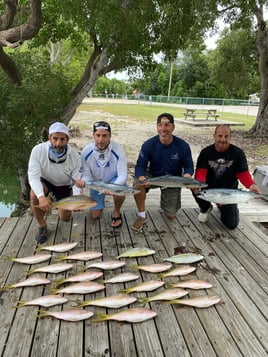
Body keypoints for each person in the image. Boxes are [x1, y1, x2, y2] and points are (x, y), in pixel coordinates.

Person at [132, 112, 194, 232]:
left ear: (173, 127)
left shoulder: (183, 146)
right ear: (157, 127)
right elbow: (140, 165)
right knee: (136, 183)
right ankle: (141, 216)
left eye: (167, 125)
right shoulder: (148, 144)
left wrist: (186, 178)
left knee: (171, 215)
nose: (163, 129)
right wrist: (141, 178)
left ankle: (166, 201)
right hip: (153, 175)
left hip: (173, 179)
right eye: (160, 125)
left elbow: (189, 166)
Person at [192, 124, 261, 229]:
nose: (223, 139)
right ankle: (205, 208)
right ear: (214, 136)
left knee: (231, 224)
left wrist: (251, 185)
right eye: (220, 136)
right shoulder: (206, 152)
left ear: (230, 137)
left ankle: (228, 208)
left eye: (226, 136)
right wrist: (198, 183)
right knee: (195, 188)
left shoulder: (238, 153)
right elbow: (201, 171)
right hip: (209, 187)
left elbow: (243, 173)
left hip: (229, 191)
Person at [28, 122, 84, 243]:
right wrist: (41, 196)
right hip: (46, 181)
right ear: (49, 138)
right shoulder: (38, 150)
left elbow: (77, 179)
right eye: (55, 139)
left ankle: (54, 201)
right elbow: (33, 176)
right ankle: (42, 226)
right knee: (34, 194)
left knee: (65, 218)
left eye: (62, 139)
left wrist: (77, 200)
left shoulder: (75, 156)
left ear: (67, 139)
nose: (58, 143)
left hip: (64, 185)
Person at [80, 121, 128, 228]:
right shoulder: (86, 151)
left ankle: (116, 211)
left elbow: (123, 175)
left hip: (114, 181)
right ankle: (99, 204)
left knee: (122, 189)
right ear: (93, 135)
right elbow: (86, 174)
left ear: (110, 136)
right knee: (95, 216)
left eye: (104, 136)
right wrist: (87, 182)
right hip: (96, 183)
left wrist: (111, 188)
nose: (101, 140)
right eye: (98, 135)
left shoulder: (118, 149)